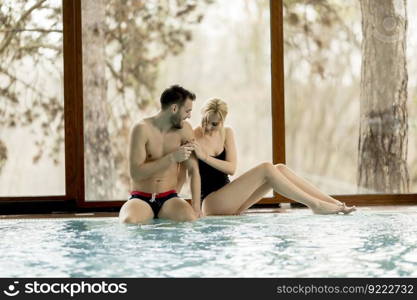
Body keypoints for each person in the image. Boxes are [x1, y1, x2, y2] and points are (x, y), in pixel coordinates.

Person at [191, 98, 356, 216]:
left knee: (279, 169)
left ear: (223, 121)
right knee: (266, 168)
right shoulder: (193, 136)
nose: (208, 127)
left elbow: (231, 168)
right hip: (212, 203)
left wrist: (204, 156)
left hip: (233, 202)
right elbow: (186, 174)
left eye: (214, 124)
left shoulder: (227, 133)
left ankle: (336, 204)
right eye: (205, 121)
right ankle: (315, 205)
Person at [118, 85, 202, 224]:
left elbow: (193, 170)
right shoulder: (141, 129)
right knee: (129, 221)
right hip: (141, 198)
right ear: (174, 109)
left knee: (190, 219)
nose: (190, 116)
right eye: (187, 111)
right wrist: (172, 158)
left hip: (169, 198)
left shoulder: (185, 130)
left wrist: (196, 207)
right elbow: (136, 173)